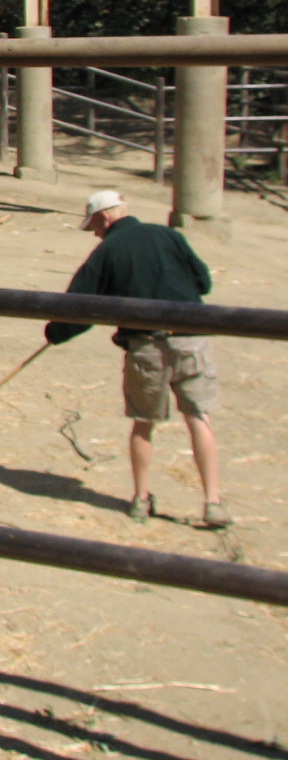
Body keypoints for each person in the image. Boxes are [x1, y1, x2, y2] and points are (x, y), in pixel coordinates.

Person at [43, 189, 230, 528]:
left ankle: (141, 499)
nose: (96, 234)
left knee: (143, 424)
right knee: (199, 417)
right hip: (191, 341)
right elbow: (202, 282)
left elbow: (80, 307)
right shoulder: (169, 236)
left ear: (105, 218)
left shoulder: (107, 251)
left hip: (146, 348)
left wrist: (56, 333)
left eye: (95, 227)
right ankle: (213, 501)